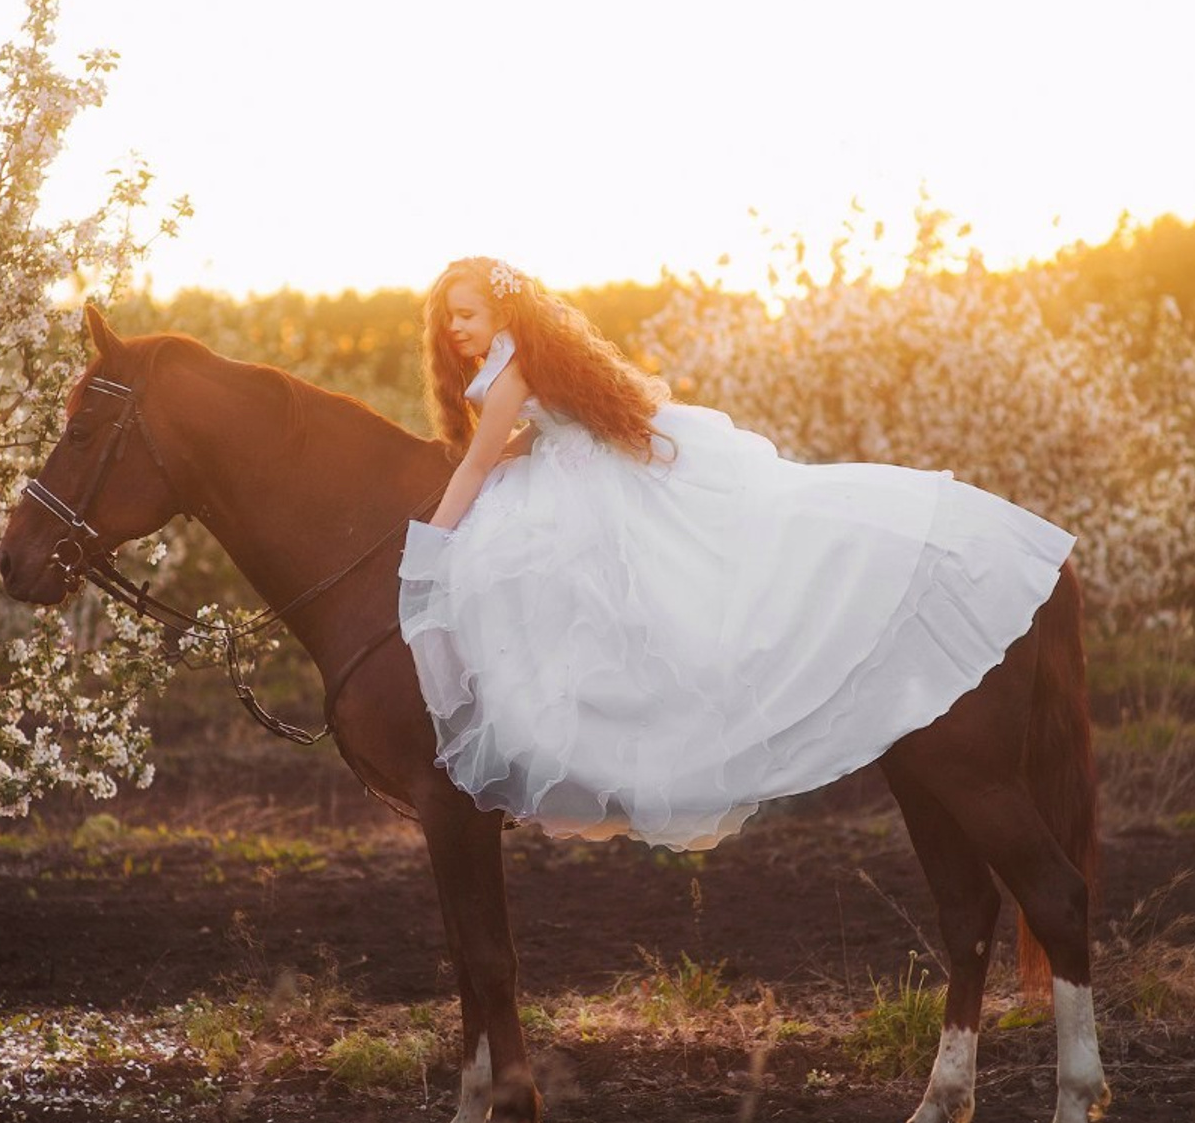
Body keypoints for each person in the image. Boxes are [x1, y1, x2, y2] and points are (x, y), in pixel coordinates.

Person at [398, 256, 1074, 851]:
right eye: (449, 318)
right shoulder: (525, 356)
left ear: (503, 309)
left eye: (466, 313)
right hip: (586, 471)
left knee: (573, 586)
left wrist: (430, 544)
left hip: (593, 487)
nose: (455, 328)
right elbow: (530, 434)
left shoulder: (511, 365)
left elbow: (478, 464)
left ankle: (599, 736)